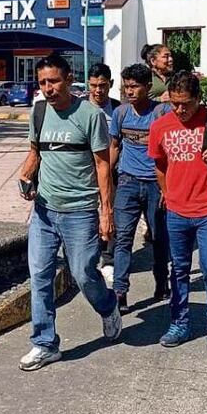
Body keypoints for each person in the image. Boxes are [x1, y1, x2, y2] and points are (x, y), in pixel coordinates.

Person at [17, 53, 121, 371]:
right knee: (40, 276)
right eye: (43, 82)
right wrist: (25, 176)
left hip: (80, 211)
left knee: (84, 275)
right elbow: (35, 153)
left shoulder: (89, 115)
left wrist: (106, 213)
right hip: (45, 210)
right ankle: (45, 343)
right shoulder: (38, 112)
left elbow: (103, 166)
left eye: (54, 81)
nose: (48, 88)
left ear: (69, 80)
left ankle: (108, 306)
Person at [148, 71, 207, 354]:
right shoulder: (161, 126)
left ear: (198, 99)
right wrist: (166, 193)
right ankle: (179, 322)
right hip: (177, 210)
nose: (180, 109)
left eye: (186, 103)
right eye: (175, 103)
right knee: (178, 269)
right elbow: (160, 164)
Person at [109, 63, 173, 314]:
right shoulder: (121, 114)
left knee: (159, 238)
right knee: (123, 238)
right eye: (126, 87)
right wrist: (106, 180)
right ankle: (120, 291)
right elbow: (114, 146)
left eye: (134, 86)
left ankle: (161, 281)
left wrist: (169, 187)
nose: (130, 91)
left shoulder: (162, 113)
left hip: (156, 184)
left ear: (148, 87)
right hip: (127, 181)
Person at [87, 63, 121, 284]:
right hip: (86, 173)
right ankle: (89, 258)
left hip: (113, 171)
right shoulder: (80, 108)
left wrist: (109, 167)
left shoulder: (118, 109)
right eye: (94, 86)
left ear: (111, 84)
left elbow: (119, 143)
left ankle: (109, 259)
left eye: (103, 85)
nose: (98, 90)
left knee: (111, 214)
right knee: (88, 216)